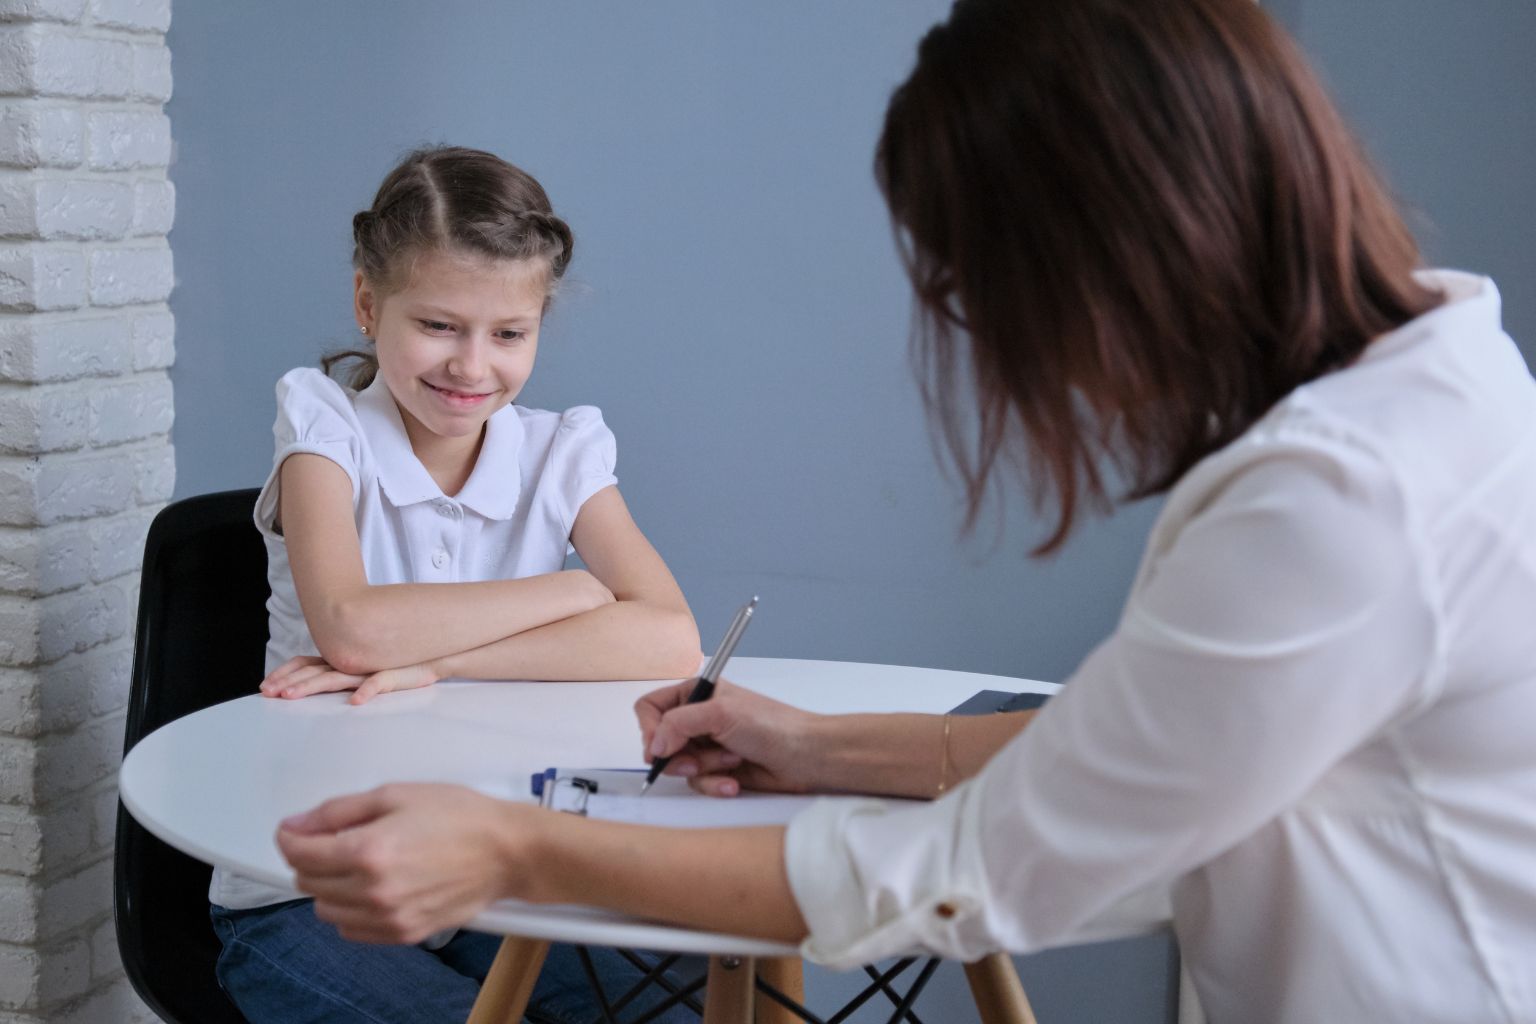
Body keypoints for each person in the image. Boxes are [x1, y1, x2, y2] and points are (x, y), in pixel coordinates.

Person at [275, 4, 1536, 1022]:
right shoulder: (1439, 382)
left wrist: (517, 850)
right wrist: (819, 746)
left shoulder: (1340, 499)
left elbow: (981, 864)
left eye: (981, 281)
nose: (987, 334)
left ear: (1111, 245)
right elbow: (1133, 744)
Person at [211, 146, 704, 1024]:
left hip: (491, 874)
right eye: (439, 325)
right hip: (307, 894)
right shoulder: (322, 425)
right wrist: (575, 595)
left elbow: (671, 638)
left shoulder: (562, 450)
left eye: (509, 334)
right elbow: (353, 633)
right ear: (369, 305)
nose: (473, 367)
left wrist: (437, 665)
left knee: (686, 995)